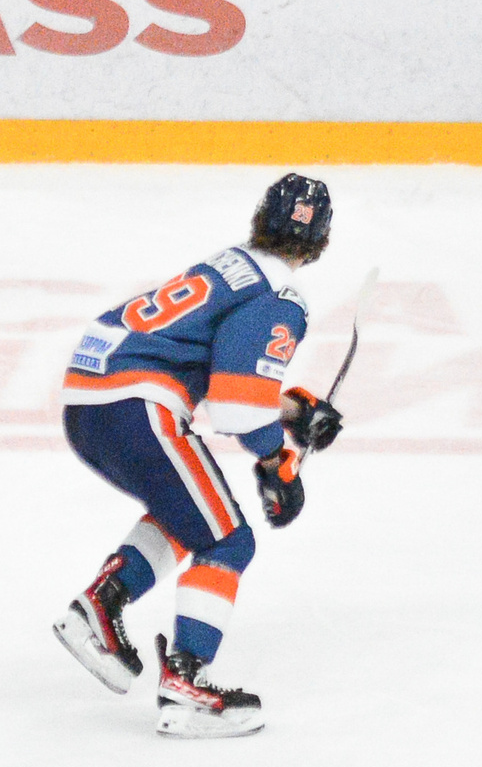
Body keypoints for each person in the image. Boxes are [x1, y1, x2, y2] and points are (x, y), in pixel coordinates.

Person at [50, 174, 342, 738]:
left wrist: (290, 410)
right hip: (137, 404)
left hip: (91, 399)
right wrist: (275, 462)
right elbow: (235, 407)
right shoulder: (280, 297)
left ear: (260, 218)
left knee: (189, 514)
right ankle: (185, 682)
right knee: (229, 539)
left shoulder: (231, 266)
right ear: (322, 240)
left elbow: (217, 372)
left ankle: (99, 607)